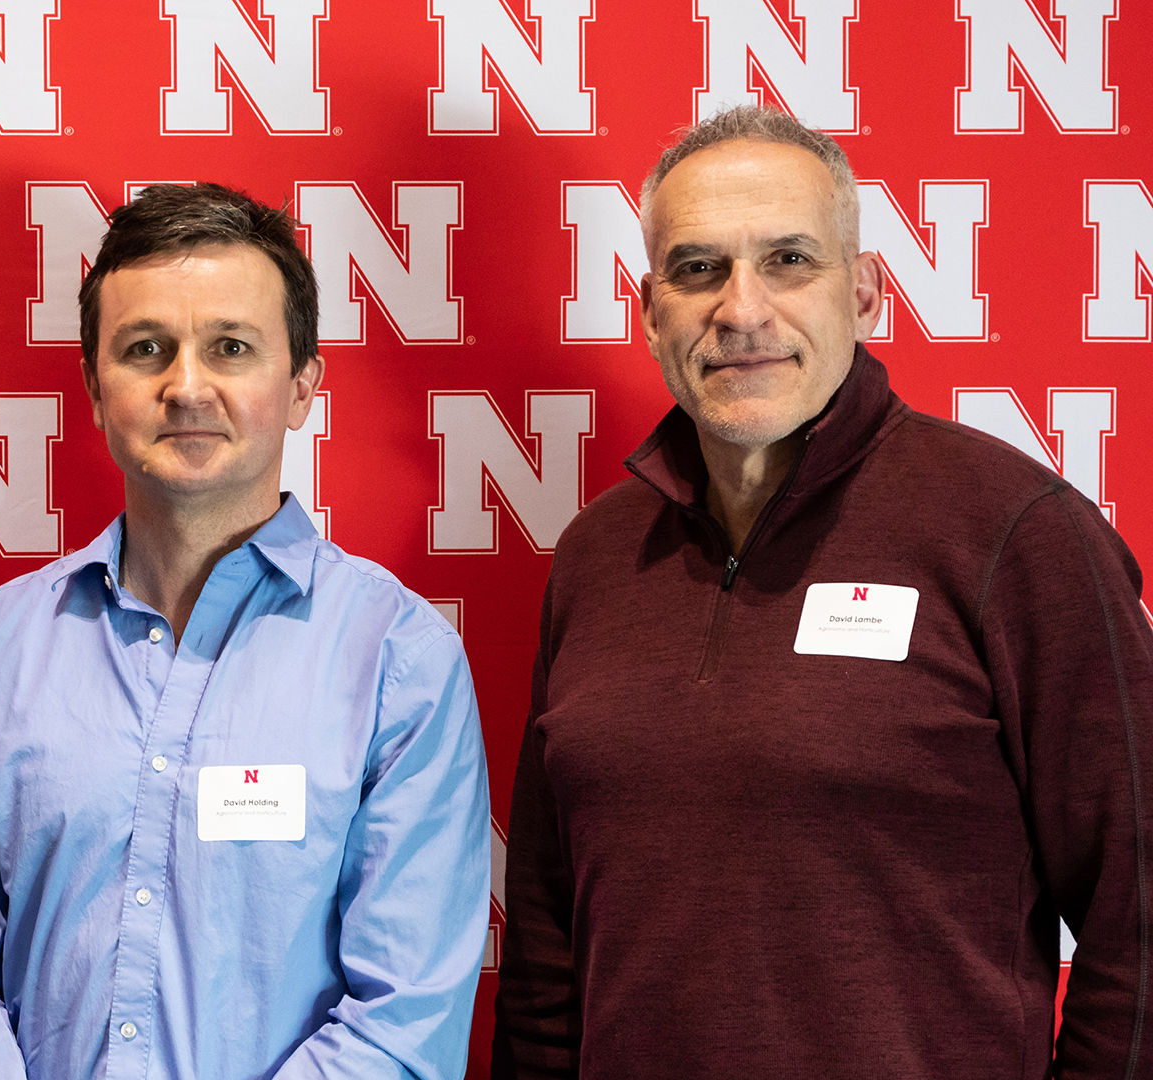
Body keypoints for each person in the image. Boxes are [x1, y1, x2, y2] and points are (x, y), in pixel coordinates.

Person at [493, 104, 1153, 1077]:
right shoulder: (596, 558)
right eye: (698, 268)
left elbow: (1139, 910)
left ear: (868, 291)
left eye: (790, 261)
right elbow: (547, 938)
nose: (742, 310)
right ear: (649, 310)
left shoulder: (1018, 535)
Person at [0, 182, 490, 1079]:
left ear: (300, 386)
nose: (186, 386)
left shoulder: (399, 662)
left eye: (231, 347)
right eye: (146, 350)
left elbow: (405, 1017)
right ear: (96, 389)